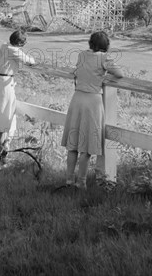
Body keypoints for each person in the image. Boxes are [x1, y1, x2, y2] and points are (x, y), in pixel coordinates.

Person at [61, 31, 123, 190]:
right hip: (92, 102)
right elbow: (119, 74)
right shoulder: (104, 58)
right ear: (106, 45)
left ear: (90, 43)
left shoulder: (81, 55)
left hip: (77, 100)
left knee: (73, 144)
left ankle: (68, 181)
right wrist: (103, 77)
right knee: (87, 147)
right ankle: (81, 182)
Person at [0, 30, 35, 166]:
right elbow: (29, 61)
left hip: (0, 82)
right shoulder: (13, 50)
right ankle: (1, 156)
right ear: (20, 43)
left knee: (4, 119)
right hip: (5, 86)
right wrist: (31, 59)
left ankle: (1, 154)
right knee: (4, 119)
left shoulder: (4, 46)